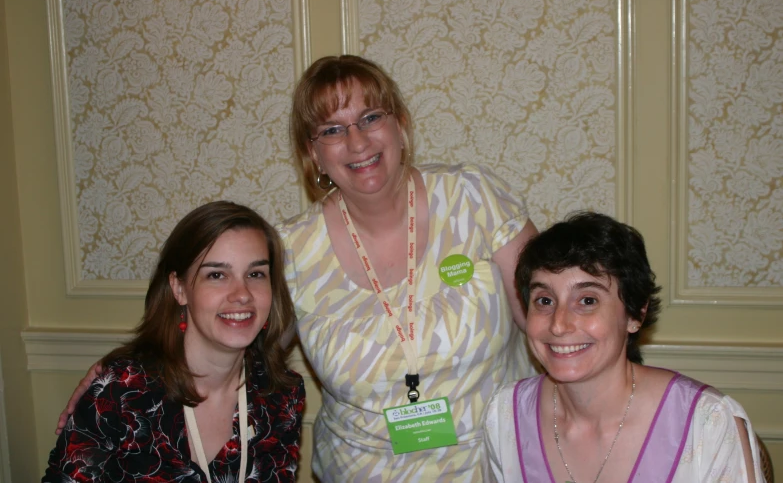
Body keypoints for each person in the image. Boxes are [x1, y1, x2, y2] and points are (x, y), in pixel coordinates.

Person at [57, 55, 537, 482]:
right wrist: (123, 371)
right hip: (361, 470)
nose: (357, 140)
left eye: (371, 117)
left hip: (488, 464)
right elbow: (234, 338)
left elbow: (550, 316)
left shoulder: (474, 198)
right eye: (331, 129)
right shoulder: (292, 249)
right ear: (314, 154)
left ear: (401, 124)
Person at [482, 211, 765, 483]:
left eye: (587, 300)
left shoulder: (705, 423)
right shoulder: (507, 415)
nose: (559, 325)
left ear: (634, 315)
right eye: (544, 300)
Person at [44, 201, 305, 482]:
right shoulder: (122, 393)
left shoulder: (281, 397)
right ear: (179, 288)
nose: (242, 294)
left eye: (255, 274)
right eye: (216, 275)